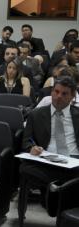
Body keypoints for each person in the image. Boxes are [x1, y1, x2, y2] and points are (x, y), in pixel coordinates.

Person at [20, 76, 79, 218]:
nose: (58, 97)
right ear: (51, 92)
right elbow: (26, 142)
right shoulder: (36, 114)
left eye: (64, 94)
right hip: (48, 160)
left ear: (72, 97)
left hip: (74, 160)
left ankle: (55, 191)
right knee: (25, 168)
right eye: (56, 92)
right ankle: (61, 189)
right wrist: (32, 148)